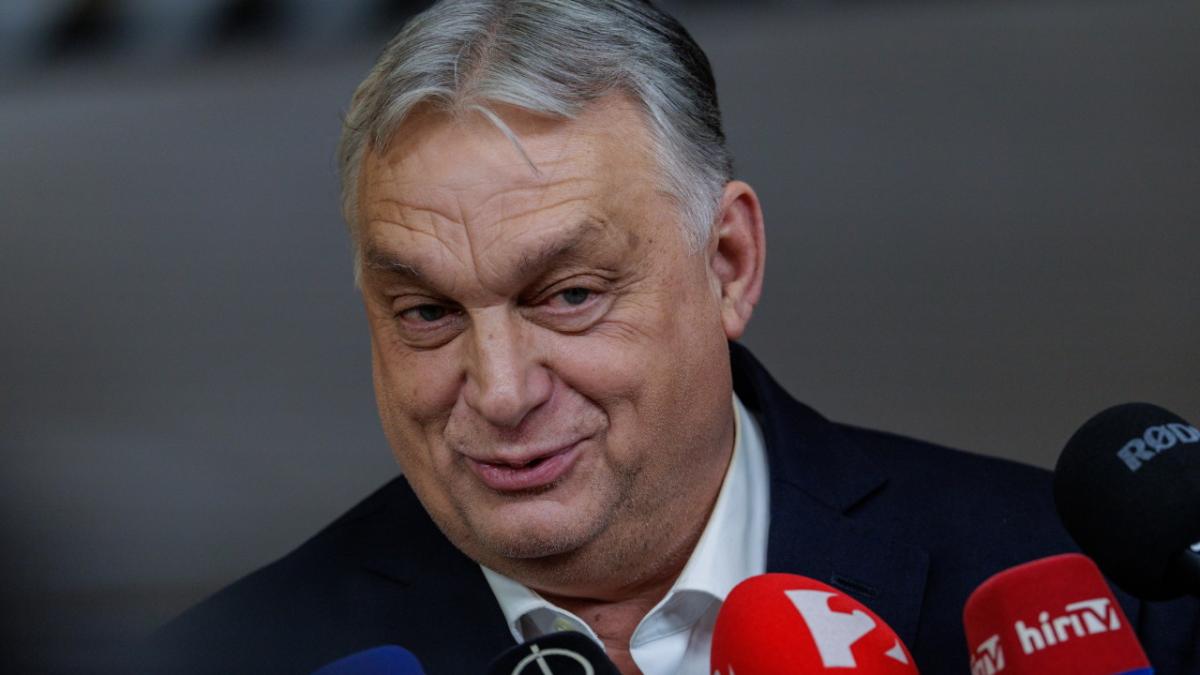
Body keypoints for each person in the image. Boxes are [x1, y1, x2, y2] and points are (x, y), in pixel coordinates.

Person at [150, 1, 1199, 673]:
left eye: (569, 295)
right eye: (427, 313)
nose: (501, 392)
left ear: (728, 263)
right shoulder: (233, 657)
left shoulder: (1088, 591)